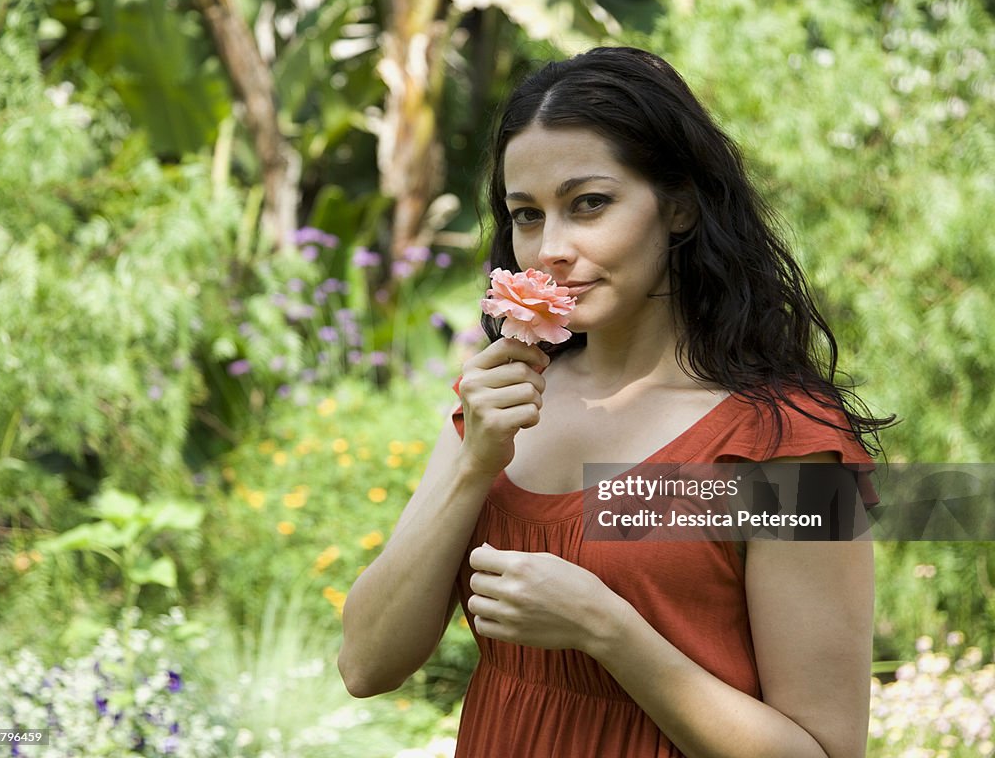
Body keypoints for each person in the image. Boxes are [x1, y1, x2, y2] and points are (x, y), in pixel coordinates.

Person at [339, 46, 892, 757]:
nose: (550, 250)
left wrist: (606, 630)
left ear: (682, 205)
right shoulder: (502, 397)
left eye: (589, 204)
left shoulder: (787, 442)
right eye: (527, 215)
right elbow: (365, 664)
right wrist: (475, 464)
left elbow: (824, 752)